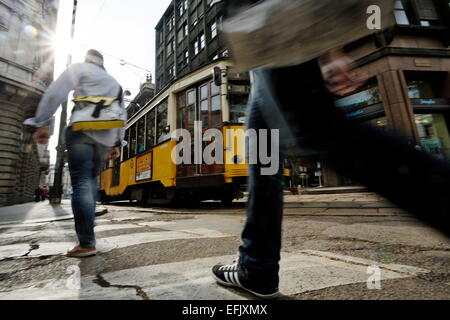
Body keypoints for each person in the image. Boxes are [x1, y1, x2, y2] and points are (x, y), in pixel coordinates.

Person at [211, 1, 450, 299]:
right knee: (263, 146)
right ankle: (256, 266)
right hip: (266, 34)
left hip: (274, 20)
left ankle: (256, 266)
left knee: (318, 129)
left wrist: (326, 50)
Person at [24, 49, 127, 258]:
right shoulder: (115, 83)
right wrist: (117, 142)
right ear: (103, 63)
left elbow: (56, 92)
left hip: (82, 128)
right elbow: (121, 114)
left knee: (80, 180)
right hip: (105, 136)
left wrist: (42, 121)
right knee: (90, 181)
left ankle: (86, 242)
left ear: (88, 59)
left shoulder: (79, 69)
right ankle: (88, 223)